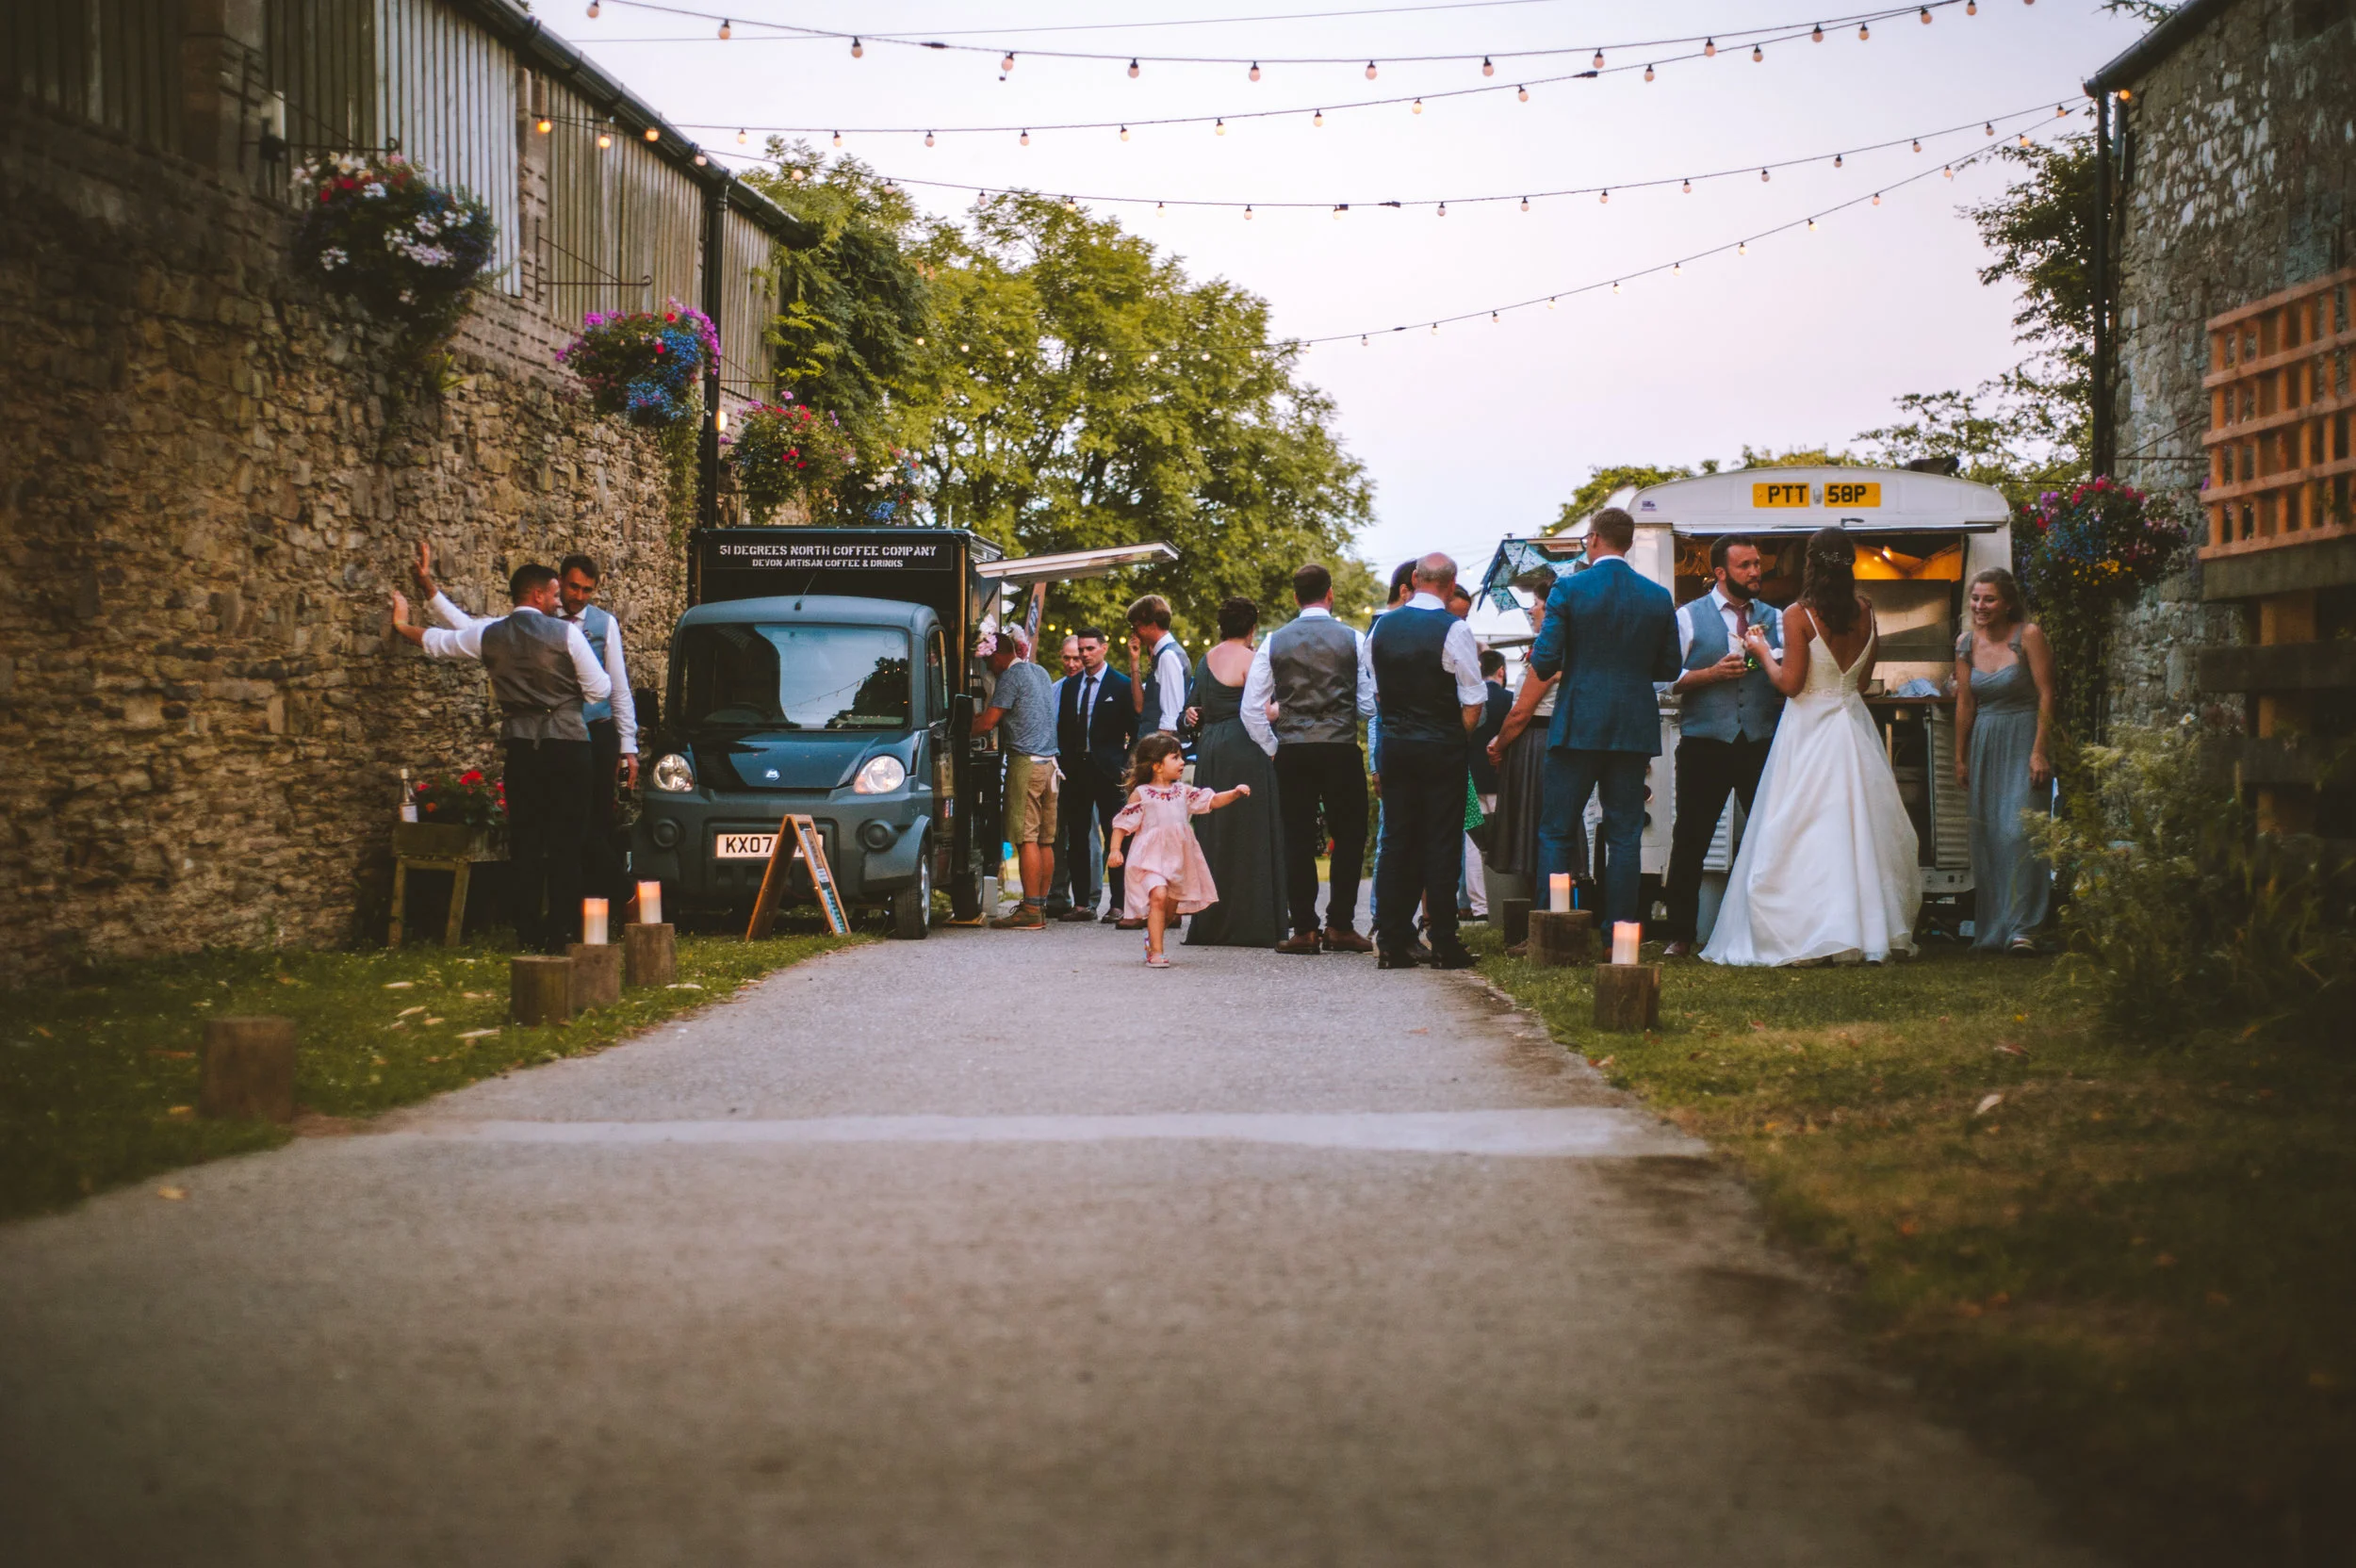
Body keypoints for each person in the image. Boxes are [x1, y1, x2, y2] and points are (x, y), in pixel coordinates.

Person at [1704, 527, 1922, 967]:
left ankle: (1810, 933)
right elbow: (1859, 682)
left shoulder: (1798, 615)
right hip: (1852, 728)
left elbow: (1791, 685)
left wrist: (1761, 649)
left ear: (1810, 565)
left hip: (1808, 730)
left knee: (1802, 829)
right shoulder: (1867, 611)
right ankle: (1862, 931)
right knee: (1855, 832)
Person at [390, 564, 611, 952]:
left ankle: (527, 930)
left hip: (522, 748)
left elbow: (440, 640)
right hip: (568, 747)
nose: (560, 602)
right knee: (567, 841)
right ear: (537, 595)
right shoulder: (568, 634)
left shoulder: (491, 635)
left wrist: (403, 623)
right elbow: (600, 689)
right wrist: (564, 692)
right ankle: (560, 931)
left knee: (526, 839)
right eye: (556, 595)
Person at [416, 544, 639, 907]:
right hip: (550, 742)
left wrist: (627, 745)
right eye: (572, 588)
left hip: (593, 734)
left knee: (591, 826)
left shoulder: (603, 624)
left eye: (587, 590)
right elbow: (473, 631)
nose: (578, 597)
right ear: (558, 585)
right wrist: (431, 593)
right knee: (559, 830)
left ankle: (598, 908)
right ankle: (598, 903)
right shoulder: (526, 626)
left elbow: (617, 685)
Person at [1529, 508, 1681, 929]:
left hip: (1579, 723)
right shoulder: (1656, 596)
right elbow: (1669, 665)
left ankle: (1555, 930)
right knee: (1625, 836)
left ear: (1593, 539)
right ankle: (1618, 935)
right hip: (1632, 725)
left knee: (1557, 830)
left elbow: (1544, 663)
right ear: (1628, 543)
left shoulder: (1569, 589)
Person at [1242, 563, 1378, 954]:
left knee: (1296, 839)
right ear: (1330, 593)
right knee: (1349, 836)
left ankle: (1303, 929)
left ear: (1295, 598)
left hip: (1293, 751)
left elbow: (1251, 709)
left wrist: (1274, 747)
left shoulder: (1274, 641)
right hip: (1339, 748)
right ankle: (1340, 926)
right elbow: (1368, 706)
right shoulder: (1353, 639)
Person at [1661, 535, 1784, 958]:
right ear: (1720, 572)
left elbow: (1788, 667)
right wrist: (1709, 674)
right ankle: (1680, 934)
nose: (1755, 572)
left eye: (1757, 564)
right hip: (1705, 743)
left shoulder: (1776, 617)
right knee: (1691, 839)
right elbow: (1664, 680)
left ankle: (1771, 929)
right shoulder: (1688, 618)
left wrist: (1767, 658)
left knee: (1770, 837)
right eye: (1745, 565)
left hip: (1760, 741)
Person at [1366, 553, 1489, 970]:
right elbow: (1473, 700)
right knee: (1441, 840)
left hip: (1395, 745)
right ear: (1452, 584)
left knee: (1398, 841)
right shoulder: (1454, 629)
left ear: (1415, 579)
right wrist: (1455, 735)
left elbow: (1373, 695)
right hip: (1440, 745)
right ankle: (1443, 941)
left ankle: (1392, 940)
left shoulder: (1381, 627)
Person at [1955, 567, 2057, 954]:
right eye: (1976, 598)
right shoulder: (1966, 643)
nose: (1980, 606)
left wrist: (2039, 750)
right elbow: (1965, 702)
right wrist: (1959, 757)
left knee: (2021, 831)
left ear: (2008, 602)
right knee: (1989, 834)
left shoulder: (2027, 636)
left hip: (2023, 734)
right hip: (1985, 738)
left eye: (1989, 599)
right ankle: (1996, 928)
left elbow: (2048, 693)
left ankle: (2025, 928)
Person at [1182, 597, 1288, 947]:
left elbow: (1194, 707)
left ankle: (1212, 921)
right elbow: (1264, 712)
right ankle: (1251, 921)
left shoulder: (1205, 659)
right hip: (1245, 746)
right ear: (1252, 626)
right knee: (1250, 830)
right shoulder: (1254, 660)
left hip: (1212, 747)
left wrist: (1192, 715)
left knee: (1215, 829)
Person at [1106, 733, 1252, 968]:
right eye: (1175, 757)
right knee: (1158, 895)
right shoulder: (1142, 794)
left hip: (1177, 860)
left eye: (1181, 757)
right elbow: (1122, 824)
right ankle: (1156, 952)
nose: (1182, 762)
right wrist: (1115, 850)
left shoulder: (1182, 792)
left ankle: (1153, 937)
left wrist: (1234, 793)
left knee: (1170, 910)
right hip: (1149, 859)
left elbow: (1211, 800)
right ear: (1156, 765)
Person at [1484, 585, 1570, 927]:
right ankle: (1542, 915)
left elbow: (1521, 711)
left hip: (1537, 742)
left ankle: (1546, 920)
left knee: (1538, 830)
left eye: (1536, 604)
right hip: (1533, 741)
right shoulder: (1546, 651)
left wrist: (1499, 744)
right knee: (1537, 831)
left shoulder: (1551, 654)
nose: (1531, 610)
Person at [970, 625, 1059, 932]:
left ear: (997, 655)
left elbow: (988, 722)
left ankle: (1030, 909)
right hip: (1050, 766)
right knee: (1046, 840)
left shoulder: (1010, 677)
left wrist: (961, 727)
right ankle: (1040, 905)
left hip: (1026, 766)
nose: (987, 668)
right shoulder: (1041, 672)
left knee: (1026, 839)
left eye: (987, 661)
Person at [1057, 625, 1137, 923]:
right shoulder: (1070, 686)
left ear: (1104, 648)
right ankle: (1082, 904)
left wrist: (1125, 765)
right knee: (1076, 837)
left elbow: (1136, 729)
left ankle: (1118, 903)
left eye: (1090, 649)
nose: (1085, 655)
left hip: (1109, 771)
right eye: (1081, 649)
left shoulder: (1120, 685)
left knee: (1116, 835)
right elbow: (1065, 728)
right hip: (1076, 772)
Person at [1366, 558, 1418, 946]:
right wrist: (1375, 761)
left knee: (1404, 833)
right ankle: (1381, 915)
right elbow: (1373, 707)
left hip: (1407, 740)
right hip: (1396, 740)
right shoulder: (1383, 629)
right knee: (1393, 833)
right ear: (1405, 590)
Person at [1464, 646, 1513, 920]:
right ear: (1501, 671)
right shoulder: (1509, 700)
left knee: (1473, 843)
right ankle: (1501, 898)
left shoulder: (1470, 699)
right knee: (1501, 838)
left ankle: (1479, 906)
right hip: (1499, 777)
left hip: (1471, 776)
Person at [1044, 634, 1087, 919]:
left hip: (1088, 771)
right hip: (1059, 770)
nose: (1071, 664)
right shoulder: (1054, 689)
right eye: (1067, 658)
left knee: (1087, 836)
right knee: (1056, 833)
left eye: (1077, 658)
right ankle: (1057, 895)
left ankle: (1090, 896)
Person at [1127, 595, 1191, 737]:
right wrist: (1134, 663)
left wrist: (1156, 752)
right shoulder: (1162, 655)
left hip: (1159, 747)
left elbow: (1171, 717)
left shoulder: (1167, 656)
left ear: (1152, 624)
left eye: (1135, 626)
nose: (1134, 633)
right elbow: (1140, 707)